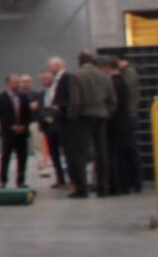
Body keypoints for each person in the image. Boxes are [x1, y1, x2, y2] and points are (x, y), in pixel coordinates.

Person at [60, 50, 114, 198]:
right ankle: (103, 187)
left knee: (80, 153)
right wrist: (106, 112)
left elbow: (75, 101)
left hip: (83, 117)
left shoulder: (76, 76)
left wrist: (72, 117)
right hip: (101, 116)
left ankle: (82, 188)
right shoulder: (104, 76)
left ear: (80, 61)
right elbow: (112, 99)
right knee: (101, 152)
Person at [103, 54, 144, 194]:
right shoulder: (127, 74)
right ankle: (133, 182)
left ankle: (133, 182)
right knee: (128, 150)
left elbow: (123, 99)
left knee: (128, 151)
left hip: (126, 116)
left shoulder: (127, 75)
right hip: (128, 116)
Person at [0, 74, 36, 187]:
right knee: (6, 156)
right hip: (8, 132)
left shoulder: (23, 97)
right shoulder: (0, 97)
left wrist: (23, 126)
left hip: (21, 132)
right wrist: (10, 126)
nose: (17, 85)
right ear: (8, 83)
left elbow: (28, 114)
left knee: (22, 156)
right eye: (15, 83)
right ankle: (3, 180)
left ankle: (20, 180)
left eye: (18, 83)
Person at [39, 58, 70, 189]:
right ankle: (60, 177)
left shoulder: (58, 87)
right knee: (54, 153)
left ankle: (70, 177)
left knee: (66, 151)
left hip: (60, 123)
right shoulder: (43, 93)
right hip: (49, 125)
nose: (44, 82)